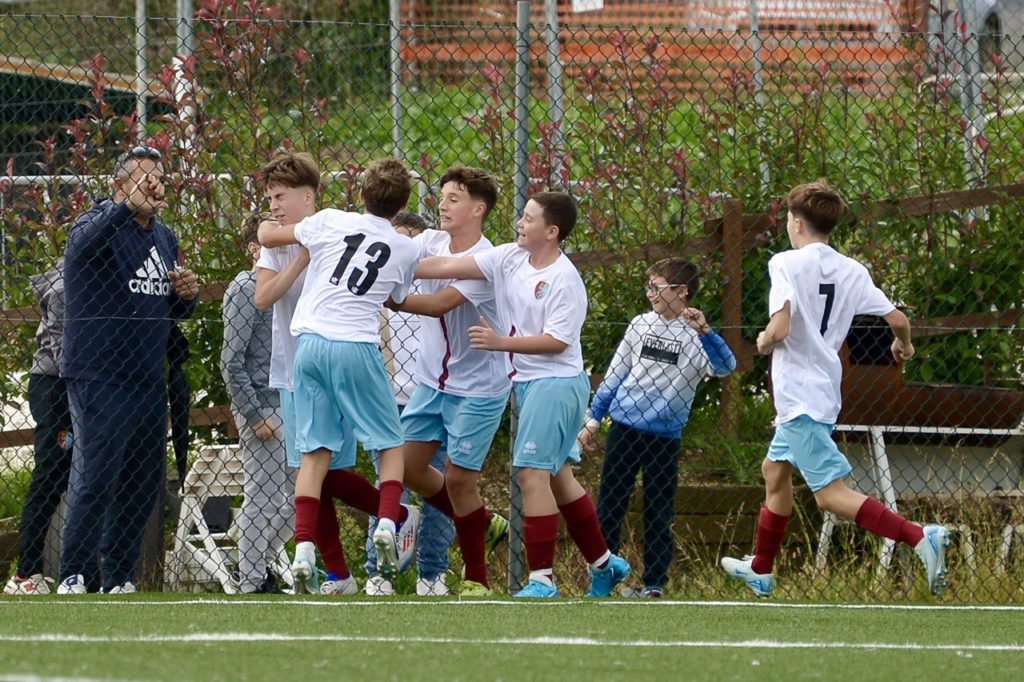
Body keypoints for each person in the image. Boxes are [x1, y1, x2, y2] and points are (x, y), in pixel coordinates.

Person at [720, 179, 950, 597]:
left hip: (799, 398)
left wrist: (764, 340)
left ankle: (919, 536)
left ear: (795, 223)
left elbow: (780, 326)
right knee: (775, 470)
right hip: (822, 393)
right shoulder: (853, 270)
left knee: (829, 496)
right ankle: (761, 569)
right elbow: (897, 319)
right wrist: (904, 344)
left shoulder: (786, 263)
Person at [415, 191, 629, 598]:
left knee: (531, 474)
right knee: (558, 476)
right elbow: (446, 265)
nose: (519, 223)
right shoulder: (510, 257)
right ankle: (605, 564)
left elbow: (557, 341)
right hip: (530, 383)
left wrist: (501, 343)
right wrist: (396, 265)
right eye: (522, 215)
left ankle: (542, 579)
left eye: (529, 219)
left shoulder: (564, 279)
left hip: (556, 384)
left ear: (551, 232)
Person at [258, 157, 421, 592]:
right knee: (389, 444)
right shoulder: (406, 248)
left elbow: (269, 235)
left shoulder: (330, 220)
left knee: (314, 454)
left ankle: (304, 548)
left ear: (360, 193)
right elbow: (397, 297)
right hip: (355, 344)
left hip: (308, 345)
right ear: (403, 205)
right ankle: (388, 521)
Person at [57, 145, 199, 594]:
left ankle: (118, 576)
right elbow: (81, 249)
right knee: (96, 474)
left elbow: (170, 308)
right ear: (118, 185)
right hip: (100, 374)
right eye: (143, 179)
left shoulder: (164, 237)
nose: (154, 187)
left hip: (147, 377)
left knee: (142, 481)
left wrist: (186, 296)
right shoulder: (95, 223)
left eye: (159, 179)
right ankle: (75, 573)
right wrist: (124, 208)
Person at [578, 258, 736, 598]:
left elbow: (726, 367)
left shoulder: (696, 337)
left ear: (681, 291)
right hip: (624, 429)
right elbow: (615, 374)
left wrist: (705, 331)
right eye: (648, 287)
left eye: (656, 287)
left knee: (658, 510)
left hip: (665, 437)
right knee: (610, 505)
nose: (650, 294)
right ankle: (604, 574)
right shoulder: (639, 325)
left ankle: (653, 584)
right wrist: (593, 420)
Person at [392, 167, 512, 596]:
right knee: (406, 467)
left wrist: (387, 295)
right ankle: (482, 522)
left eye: (454, 198)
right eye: (442, 197)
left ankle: (476, 578)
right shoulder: (429, 241)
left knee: (460, 480)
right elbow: (400, 257)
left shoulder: (488, 260)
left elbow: (439, 303)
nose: (442, 205)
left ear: (478, 209)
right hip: (431, 383)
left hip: (478, 388)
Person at [364, 211, 456, 597]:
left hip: (432, 399)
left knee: (439, 489)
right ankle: (379, 572)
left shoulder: (438, 290)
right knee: (390, 487)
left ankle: (432, 573)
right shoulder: (375, 287)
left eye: (412, 242)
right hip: (387, 403)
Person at [220, 214, 292, 594]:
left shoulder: (286, 289)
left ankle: (256, 565)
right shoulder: (245, 288)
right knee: (263, 497)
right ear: (254, 248)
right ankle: (250, 580)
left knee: (298, 499)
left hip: (289, 402)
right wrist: (253, 413)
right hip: (263, 406)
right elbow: (231, 361)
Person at [3, 262, 72, 595]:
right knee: (51, 472)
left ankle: (80, 572)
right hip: (55, 386)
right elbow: (60, 344)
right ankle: (26, 572)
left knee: (72, 473)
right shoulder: (64, 285)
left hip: (78, 385)